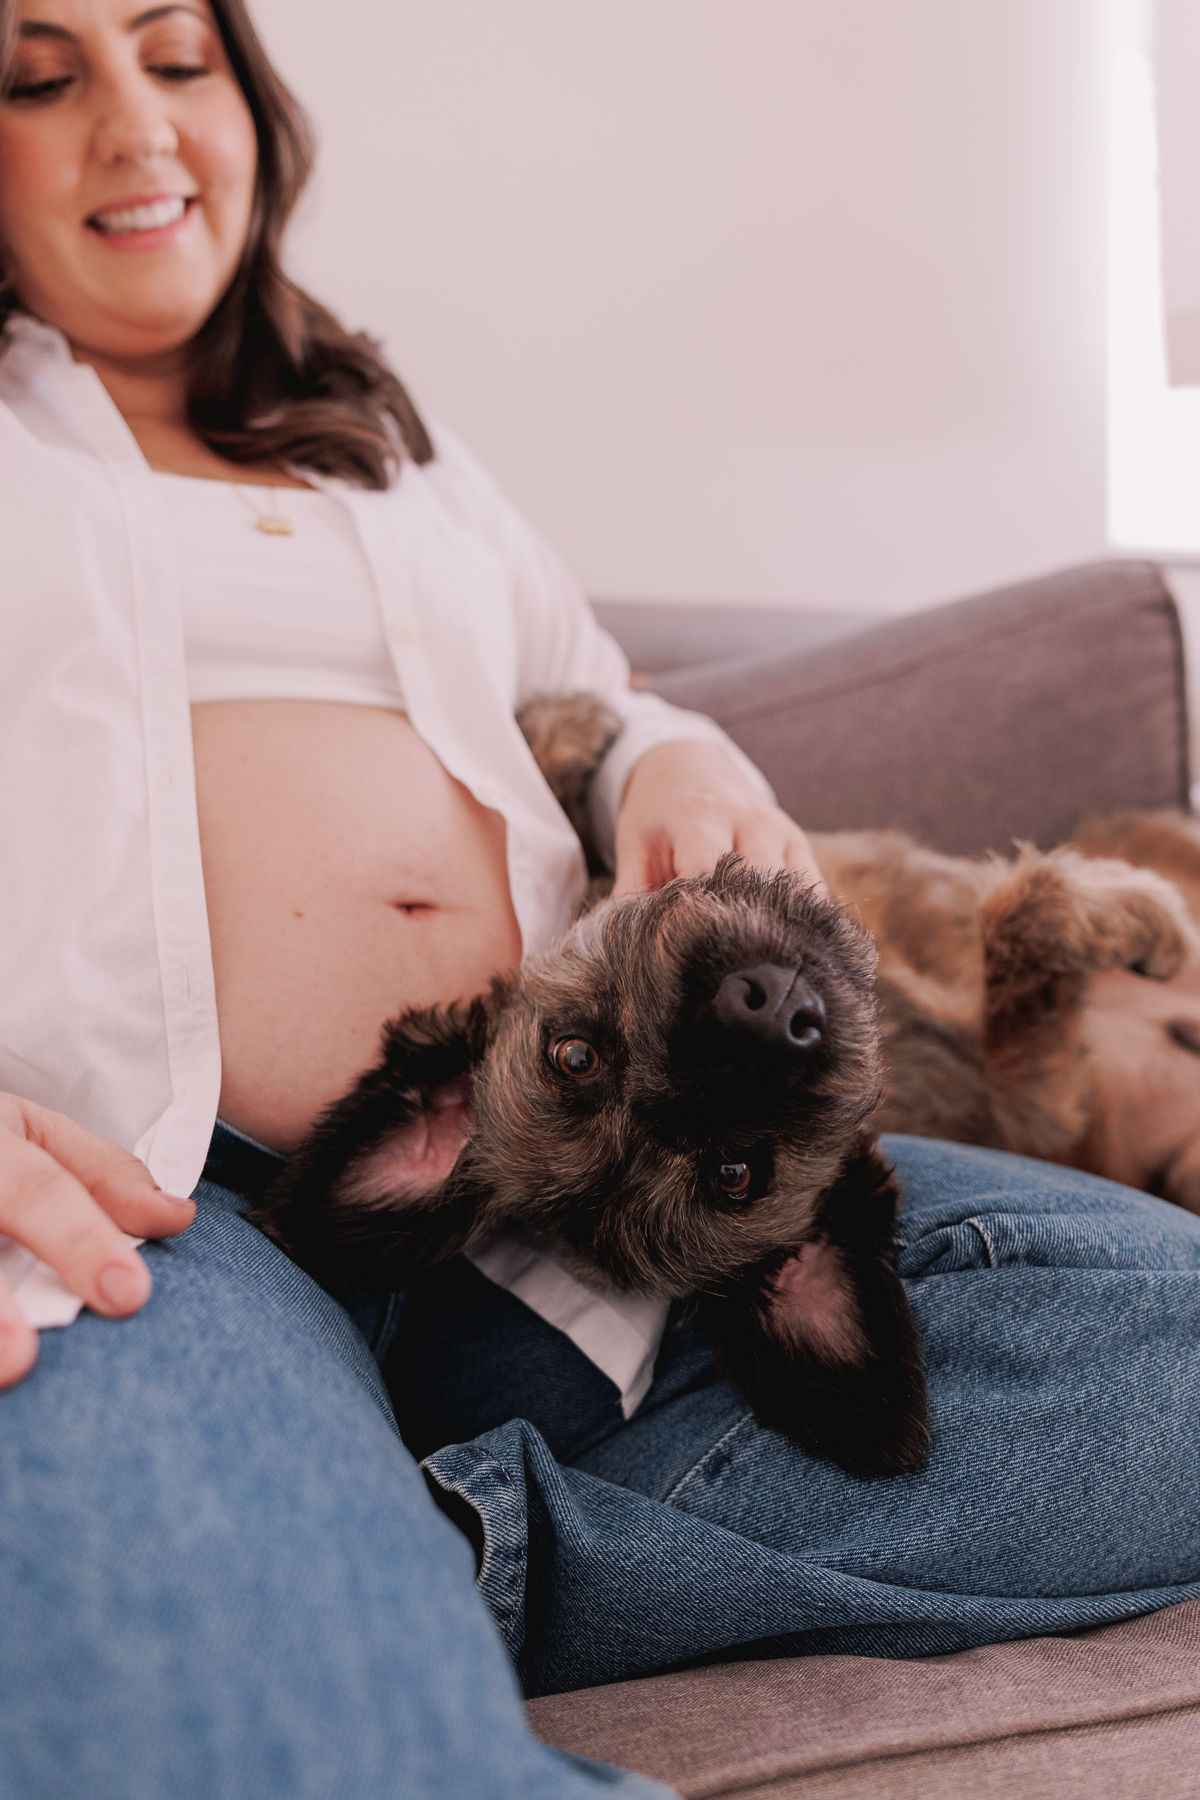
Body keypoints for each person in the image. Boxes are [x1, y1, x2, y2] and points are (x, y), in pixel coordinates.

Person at [0, 3, 1197, 1796]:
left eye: (179, 61)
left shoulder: (389, 452)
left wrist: (674, 769)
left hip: (621, 1195)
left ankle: (440, 1540)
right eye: (40, 75)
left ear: (249, 106)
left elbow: (600, 692)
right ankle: (298, 1547)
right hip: (173, 1211)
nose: (135, 127)